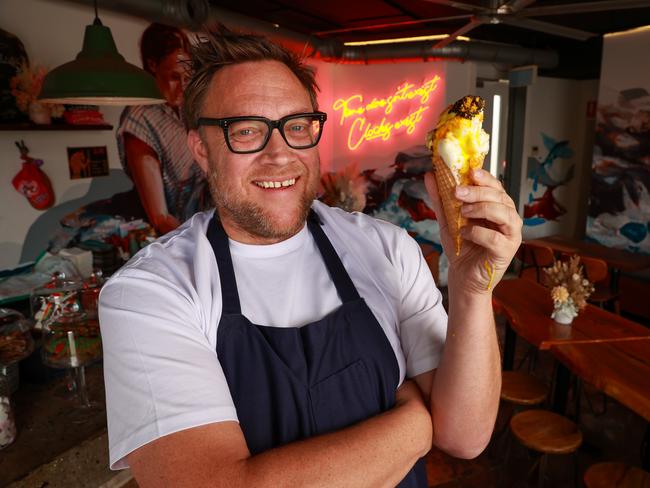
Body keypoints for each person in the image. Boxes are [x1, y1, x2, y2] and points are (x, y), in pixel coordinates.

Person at [99, 28, 522, 487]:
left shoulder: (387, 249)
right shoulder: (149, 292)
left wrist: (471, 291)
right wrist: (417, 423)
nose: (280, 155)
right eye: (246, 131)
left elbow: (464, 436)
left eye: (297, 126)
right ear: (201, 149)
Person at [116, 22, 209, 234]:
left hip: (203, 222)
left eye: (188, 77)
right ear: (152, 65)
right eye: (175, 77)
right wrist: (201, 247)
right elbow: (160, 218)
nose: (183, 86)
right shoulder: (140, 120)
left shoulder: (186, 110)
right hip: (178, 237)